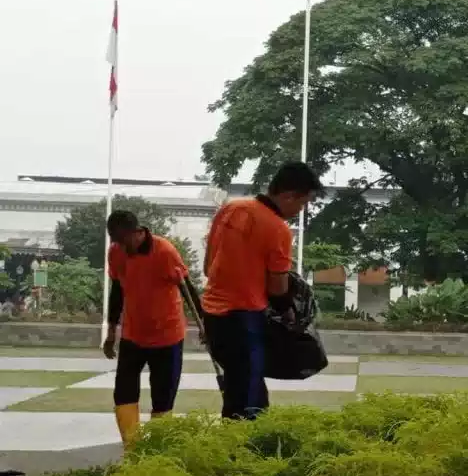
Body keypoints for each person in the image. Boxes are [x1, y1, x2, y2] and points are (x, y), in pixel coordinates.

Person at [202, 162, 321, 420]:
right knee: (249, 402)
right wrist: (289, 311)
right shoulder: (278, 229)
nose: (300, 210)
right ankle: (243, 454)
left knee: (240, 388)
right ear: (289, 195)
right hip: (244, 319)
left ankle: (236, 449)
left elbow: (207, 266)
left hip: (212, 316)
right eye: (302, 203)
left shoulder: (230, 209)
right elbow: (277, 287)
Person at [103, 210, 198, 445]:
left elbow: (187, 288)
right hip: (133, 335)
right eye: (116, 241)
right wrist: (111, 330)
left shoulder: (164, 251)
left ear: (137, 232)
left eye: (124, 241)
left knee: (162, 398)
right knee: (123, 393)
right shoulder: (116, 252)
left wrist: (205, 323)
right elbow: (117, 290)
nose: (121, 247)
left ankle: (157, 451)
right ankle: (132, 450)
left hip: (167, 336)